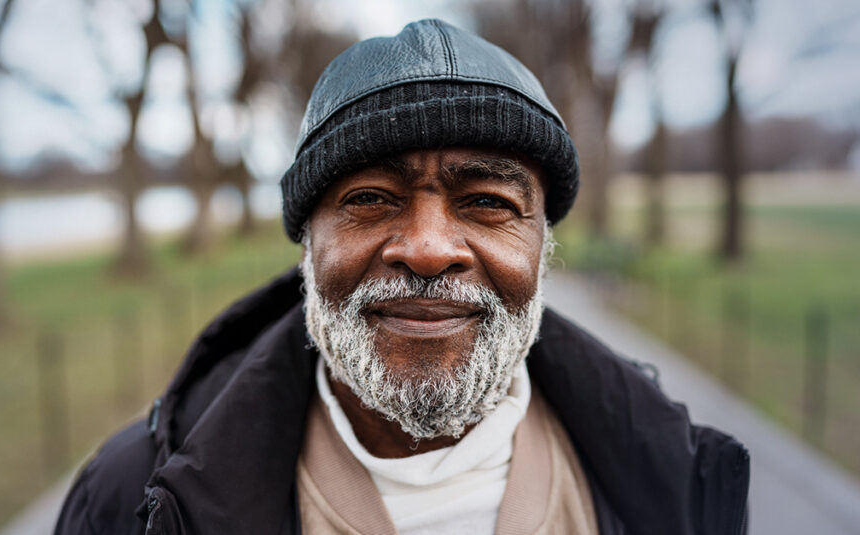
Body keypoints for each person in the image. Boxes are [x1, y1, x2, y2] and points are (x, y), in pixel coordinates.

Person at [55, 19, 749, 535]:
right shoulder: (129, 500)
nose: (426, 248)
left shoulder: (676, 479)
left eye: (487, 203)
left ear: (543, 246)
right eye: (369, 199)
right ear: (307, 244)